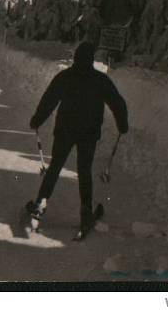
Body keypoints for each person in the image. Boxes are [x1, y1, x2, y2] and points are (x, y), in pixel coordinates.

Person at [27, 41, 129, 233]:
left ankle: (40, 204)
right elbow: (117, 102)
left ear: (75, 58)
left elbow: (49, 99)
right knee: (84, 171)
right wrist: (122, 124)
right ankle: (85, 211)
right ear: (91, 59)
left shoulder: (65, 77)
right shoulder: (100, 80)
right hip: (88, 133)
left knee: (55, 167)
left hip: (65, 130)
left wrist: (37, 119)